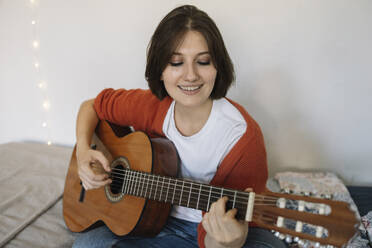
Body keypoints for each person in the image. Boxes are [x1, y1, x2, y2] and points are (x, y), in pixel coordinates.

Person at [73, 4, 287, 248]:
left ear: (218, 66)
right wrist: (82, 151)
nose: (190, 75)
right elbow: (91, 106)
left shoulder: (242, 137)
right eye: (176, 62)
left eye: (203, 61)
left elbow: (218, 236)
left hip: (207, 232)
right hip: (151, 220)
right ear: (160, 70)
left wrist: (229, 242)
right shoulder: (151, 106)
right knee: (87, 245)